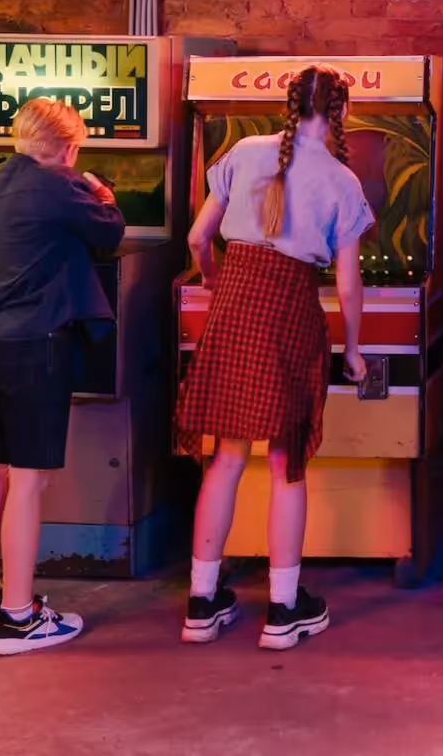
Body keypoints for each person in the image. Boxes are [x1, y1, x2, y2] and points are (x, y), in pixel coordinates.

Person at [175, 64, 373, 651]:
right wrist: (355, 350)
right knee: (288, 462)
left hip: (234, 303)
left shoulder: (243, 151)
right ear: (337, 113)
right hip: (289, 311)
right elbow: (349, 280)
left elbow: (196, 239)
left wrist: (216, 282)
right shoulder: (342, 181)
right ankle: (284, 611)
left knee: (226, 457)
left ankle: (200, 603)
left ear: (289, 105)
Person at [0, 97, 124, 656]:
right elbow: (110, 230)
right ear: (68, 145)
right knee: (30, 481)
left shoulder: (0, 183)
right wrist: (101, 191)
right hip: (40, 345)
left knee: (0, 472)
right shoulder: (57, 185)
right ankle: (18, 618)